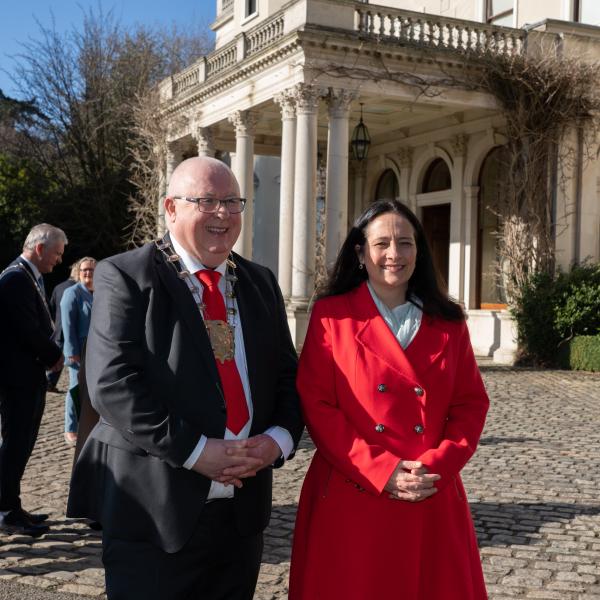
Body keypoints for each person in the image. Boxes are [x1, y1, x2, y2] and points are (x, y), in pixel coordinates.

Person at [68, 156, 303, 600]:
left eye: (233, 201)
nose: (223, 214)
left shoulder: (259, 281)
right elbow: (112, 384)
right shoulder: (125, 275)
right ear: (171, 208)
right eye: (207, 201)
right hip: (154, 511)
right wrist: (197, 451)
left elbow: (289, 376)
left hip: (242, 517)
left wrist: (276, 441)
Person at [288, 199, 489, 600]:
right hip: (353, 493)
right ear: (361, 253)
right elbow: (317, 405)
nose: (394, 254)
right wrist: (382, 470)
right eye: (382, 243)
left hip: (429, 489)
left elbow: (470, 404)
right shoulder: (331, 316)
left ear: (419, 251)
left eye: (405, 242)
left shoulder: (449, 322)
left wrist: (436, 466)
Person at [0, 223, 67, 537]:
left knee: (22, 444)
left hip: (27, 377)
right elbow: (28, 330)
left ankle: (12, 505)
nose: (58, 260)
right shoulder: (15, 278)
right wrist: (54, 354)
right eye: (56, 253)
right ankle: (7, 511)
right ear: (40, 248)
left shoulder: (26, 276)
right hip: (17, 380)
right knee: (15, 444)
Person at [60, 257, 96, 446]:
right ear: (78, 272)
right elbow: (67, 325)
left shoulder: (98, 292)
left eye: (91, 270)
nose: (88, 273)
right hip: (78, 350)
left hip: (96, 349)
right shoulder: (71, 293)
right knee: (75, 388)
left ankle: (89, 425)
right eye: (85, 270)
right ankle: (71, 428)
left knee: (92, 388)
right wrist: (71, 352)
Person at [46, 262, 78, 392]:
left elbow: (51, 308)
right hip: (72, 329)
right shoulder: (78, 288)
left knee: (56, 357)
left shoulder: (58, 287)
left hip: (59, 328)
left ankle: (49, 381)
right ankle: (49, 381)